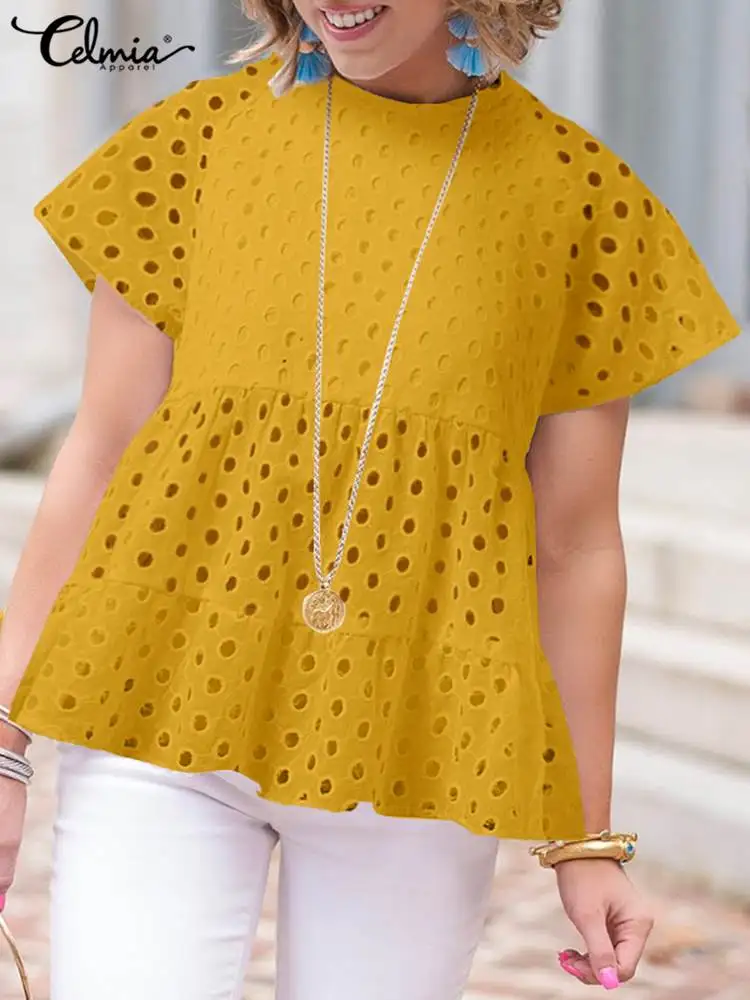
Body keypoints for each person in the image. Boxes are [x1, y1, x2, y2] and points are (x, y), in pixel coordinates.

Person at [0, 2, 742, 998]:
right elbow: (99, 457)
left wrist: (585, 836)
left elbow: (576, 549)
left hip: (419, 752)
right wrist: (3, 742)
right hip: (157, 708)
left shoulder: (584, 205)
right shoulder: (194, 144)